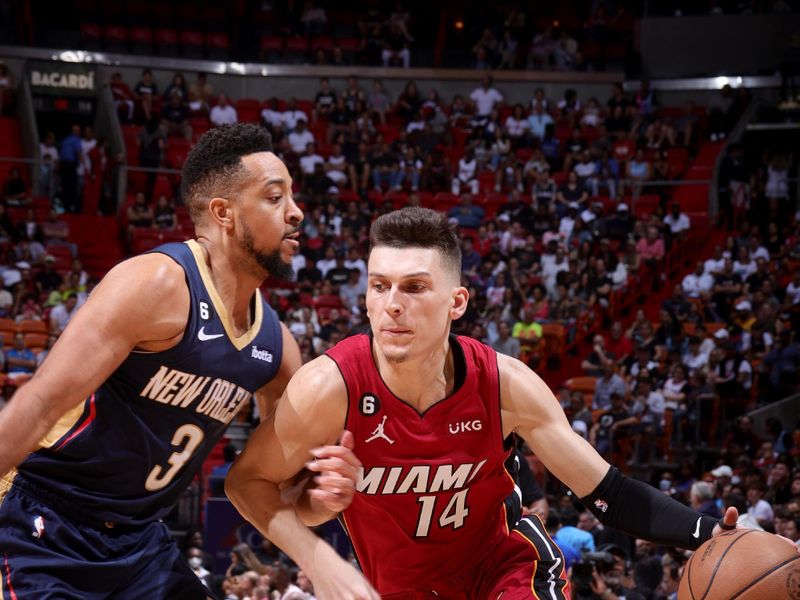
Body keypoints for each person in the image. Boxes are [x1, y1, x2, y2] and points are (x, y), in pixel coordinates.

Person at [227, 207, 753, 599]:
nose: (391, 305)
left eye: (414, 287)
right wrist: (319, 543)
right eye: (379, 286)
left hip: (507, 571)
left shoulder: (505, 384)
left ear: (456, 302)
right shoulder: (330, 388)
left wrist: (711, 532)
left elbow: (607, 493)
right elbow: (247, 481)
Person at [0, 124, 352, 598]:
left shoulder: (277, 347)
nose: (296, 212)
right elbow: (40, 403)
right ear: (223, 213)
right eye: (275, 197)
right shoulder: (157, 285)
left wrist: (324, 499)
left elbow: (272, 492)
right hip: (45, 520)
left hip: (141, 542)